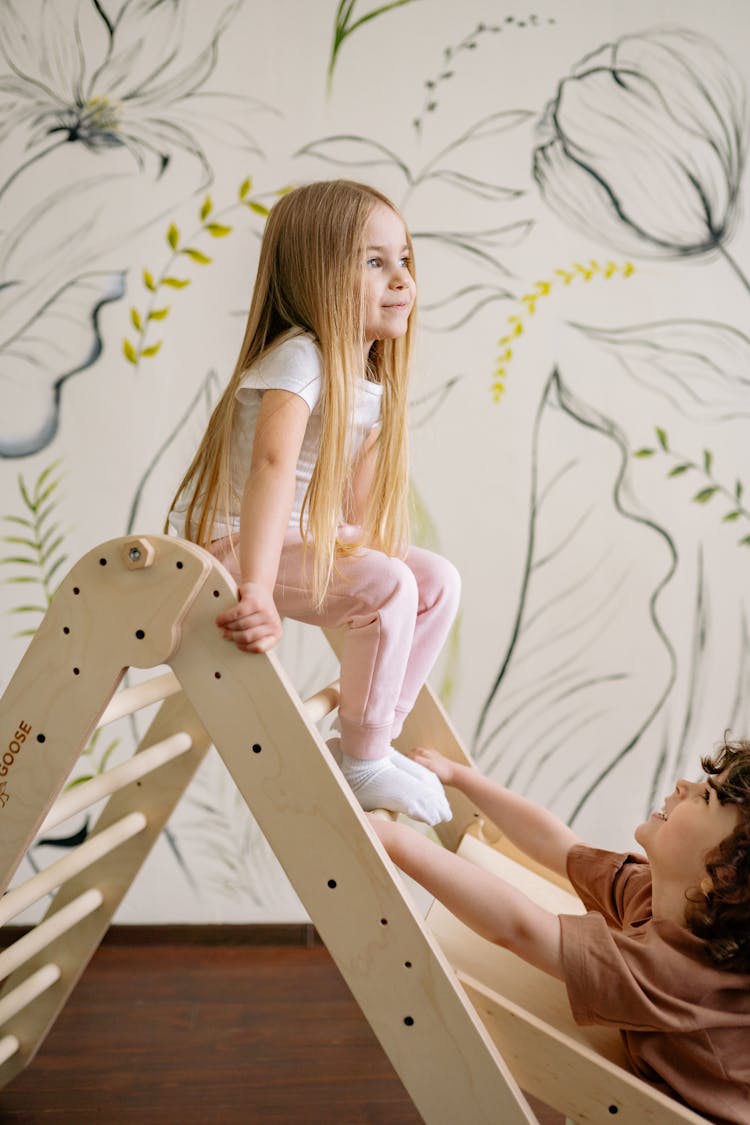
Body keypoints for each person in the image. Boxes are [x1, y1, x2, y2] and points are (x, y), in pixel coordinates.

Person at [166, 179, 459, 826]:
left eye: (404, 259)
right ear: (318, 275)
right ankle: (363, 758)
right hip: (238, 545)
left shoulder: (369, 379)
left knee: (435, 579)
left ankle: (372, 738)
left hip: (293, 541)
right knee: (390, 585)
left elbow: (354, 507)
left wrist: (372, 549)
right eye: (375, 262)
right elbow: (272, 466)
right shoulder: (301, 357)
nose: (402, 278)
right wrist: (257, 587)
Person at [371, 738, 750, 1124]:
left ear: (725, 877)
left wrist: (394, 840)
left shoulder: (678, 974)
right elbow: (559, 845)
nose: (683, 785)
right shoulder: (659, 893)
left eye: (705, 798)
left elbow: (519, 928)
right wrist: (463, 778)